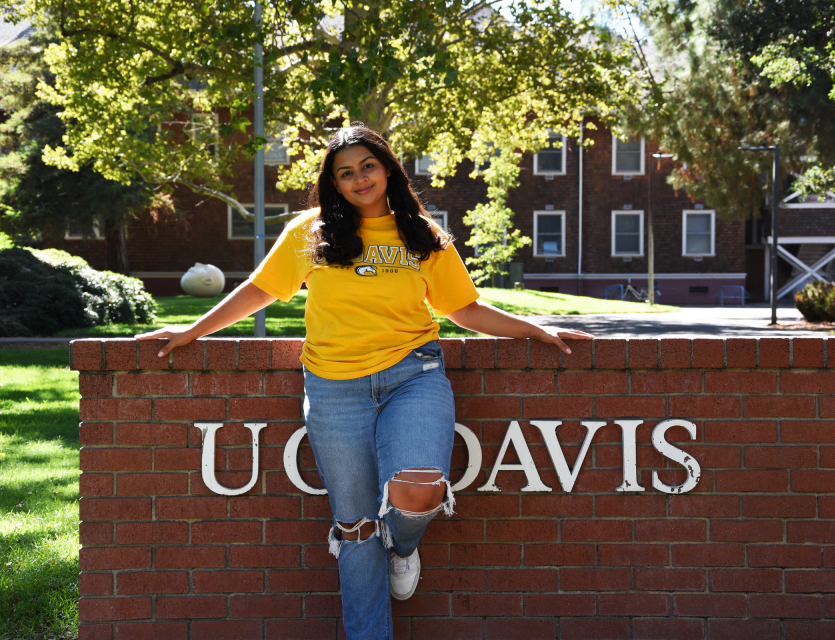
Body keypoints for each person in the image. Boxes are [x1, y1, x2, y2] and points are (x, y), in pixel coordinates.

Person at [137, 124, 593, 639]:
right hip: (334, 388)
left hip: (413, 374)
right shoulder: (311, 233)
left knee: (418, 489)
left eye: (367, 167)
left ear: (389, 169)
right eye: (345, 173)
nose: (359, 179)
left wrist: (539, 330)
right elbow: (258, 291)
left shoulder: (422, 233)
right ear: (333, 183)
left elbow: (463, 307)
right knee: (354, 529)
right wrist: (193, 331)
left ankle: (400, 547)